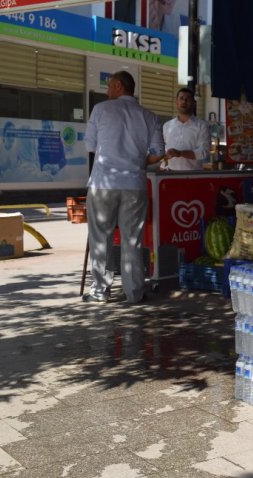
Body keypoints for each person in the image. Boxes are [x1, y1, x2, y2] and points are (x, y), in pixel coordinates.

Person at [84, 71, 164, 304]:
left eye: (109, 85)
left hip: (103, 183)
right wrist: (138, 159)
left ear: (119, 86)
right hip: (134, 185)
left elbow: (90, 146)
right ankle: (134, 292)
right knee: (132, 240)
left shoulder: (101, 110)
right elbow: (158, 155)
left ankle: (100, 291)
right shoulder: (149, 116)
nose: (107, 89)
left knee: (101, 238)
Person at [161, 87, 211, 171]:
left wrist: (180, 153)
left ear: (193, 103)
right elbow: (164, 150)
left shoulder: (202, 125)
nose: (184, 101)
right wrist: (162, 167)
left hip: (193, 176)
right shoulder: (167, 126)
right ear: (176, 102)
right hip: (170, 175)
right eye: (181, 98)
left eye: (188, 99)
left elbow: (203, 152)